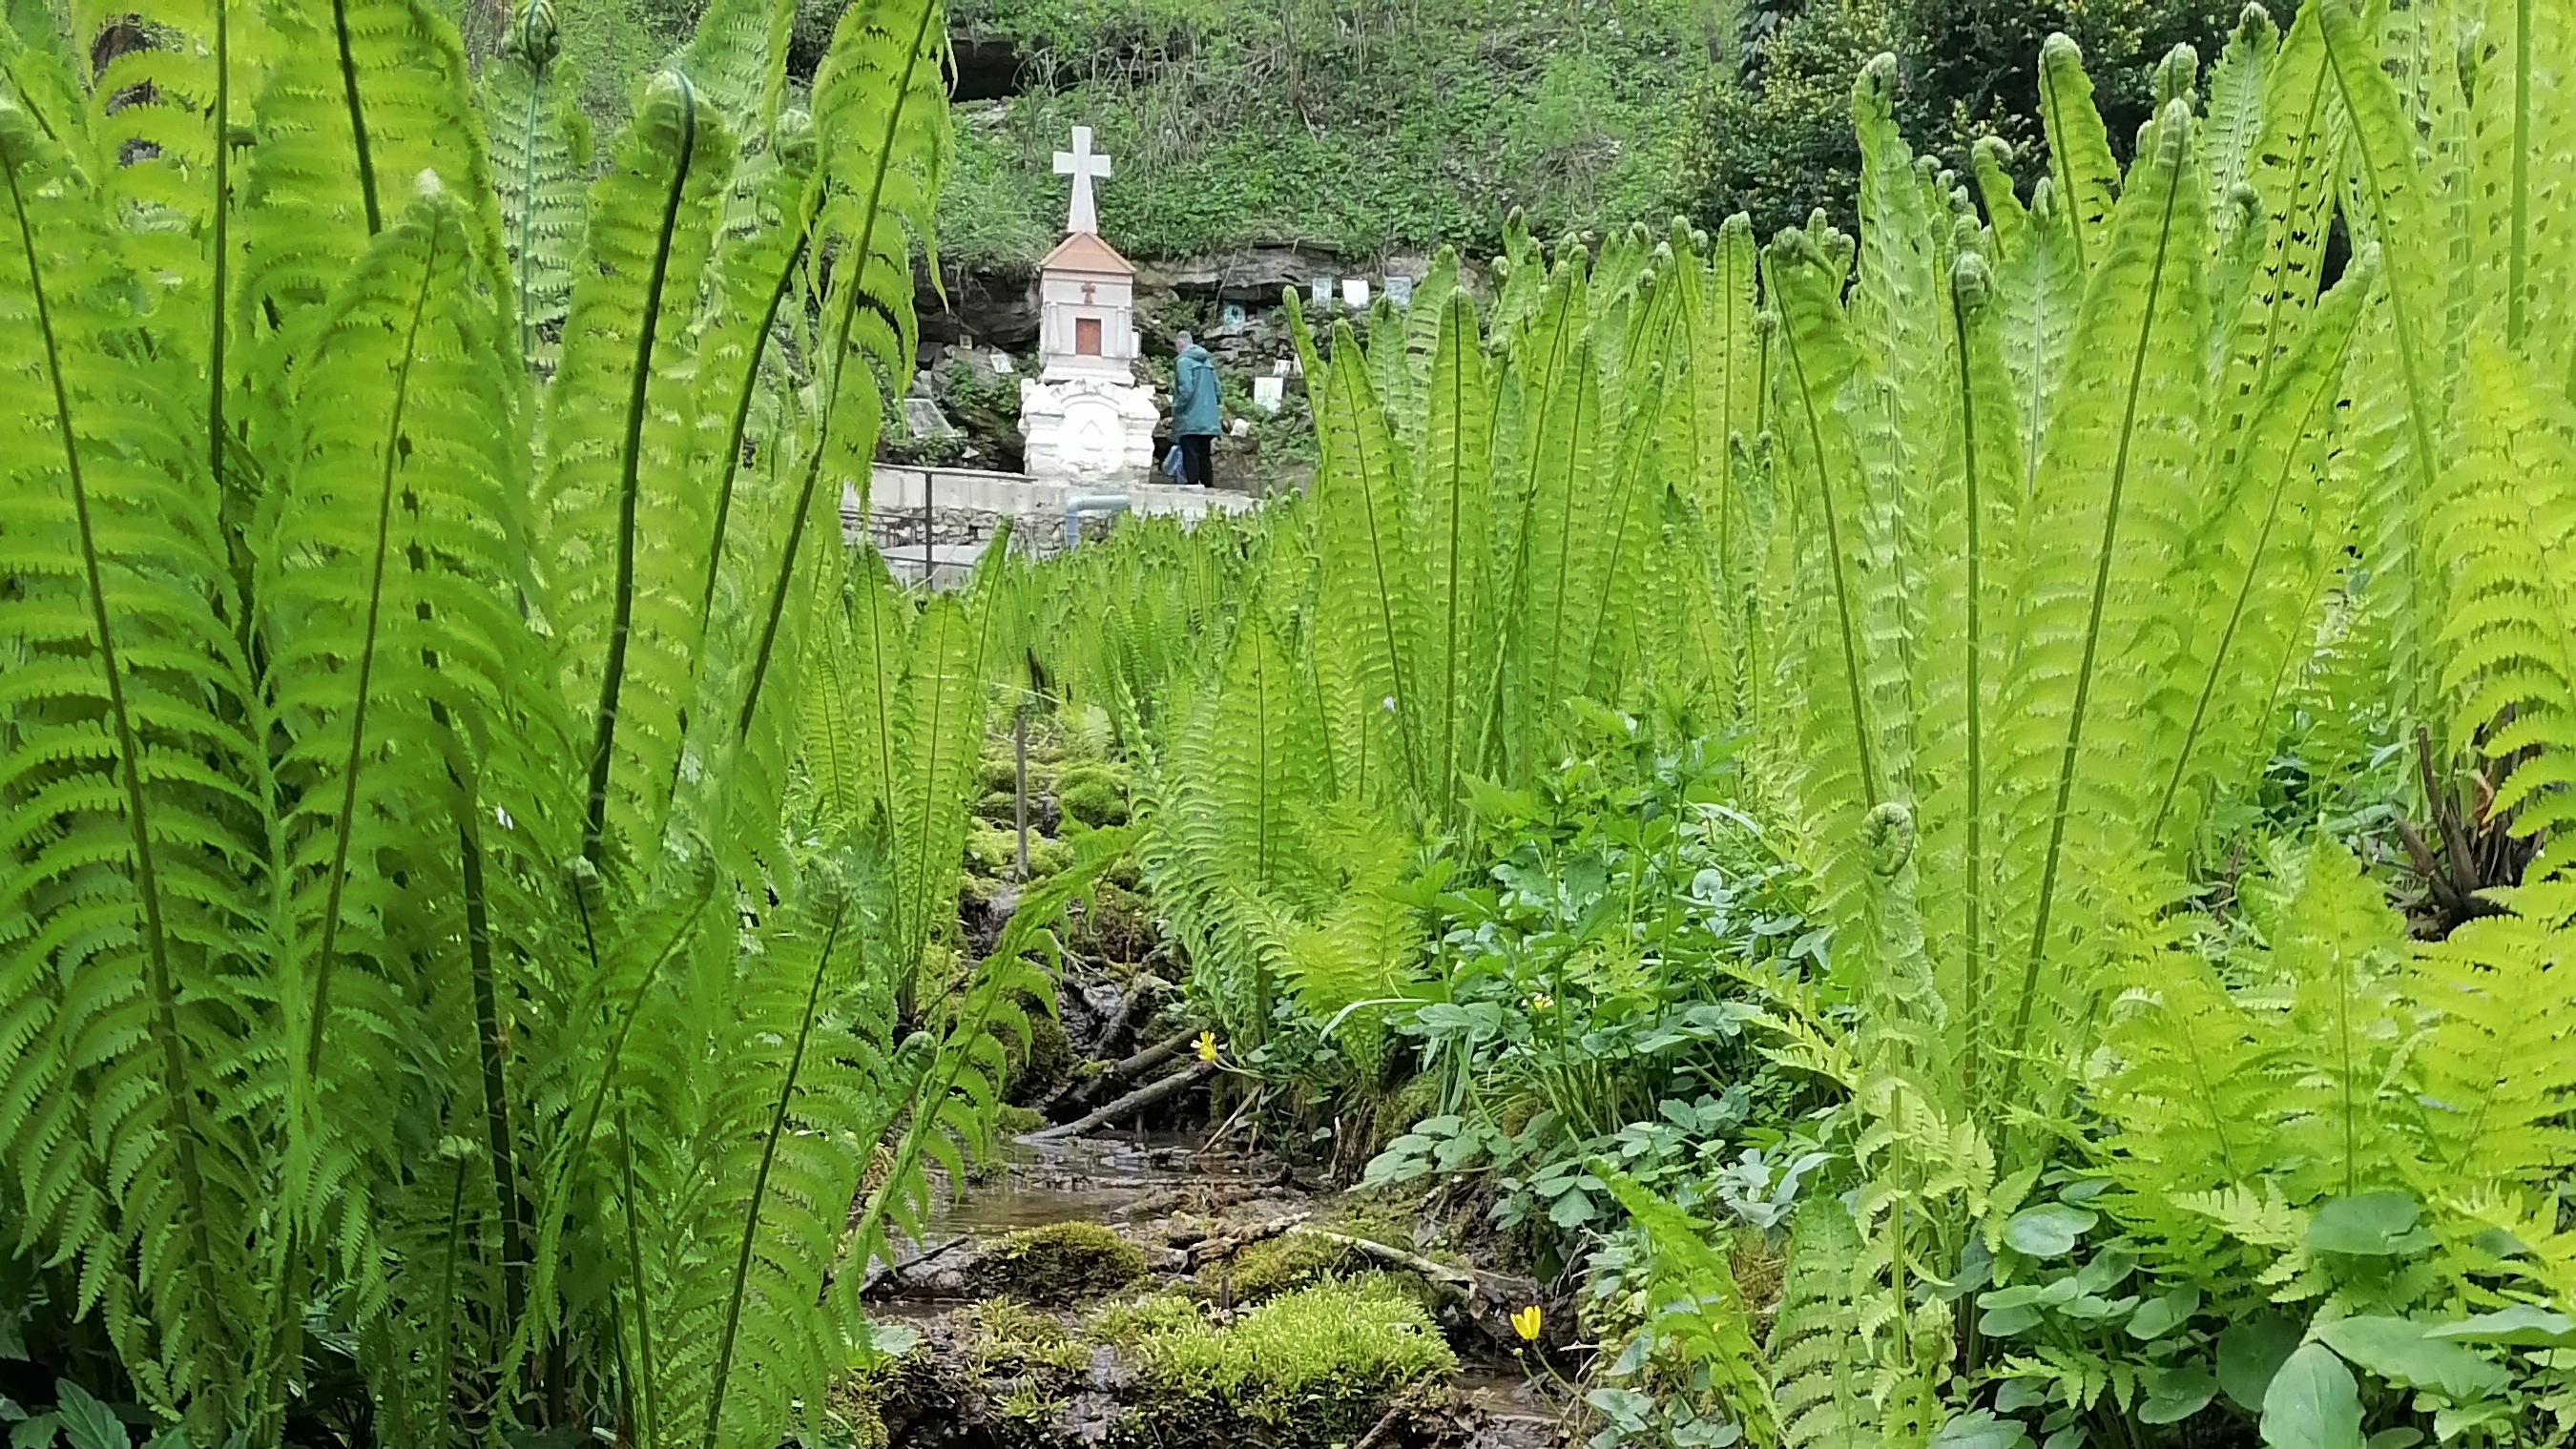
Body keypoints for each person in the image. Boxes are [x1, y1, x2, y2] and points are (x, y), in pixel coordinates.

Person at [1171, 331, 1220, 487]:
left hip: (1190, 418)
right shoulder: (1207, 362)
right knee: (1204, 455)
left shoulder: (1183, 362)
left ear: (1180, 344)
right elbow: (1218, 390)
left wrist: (1176, 408)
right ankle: (1209, 491)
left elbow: (1186, 390)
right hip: (1208, 419)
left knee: (1190, 455)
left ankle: (1193, 490)